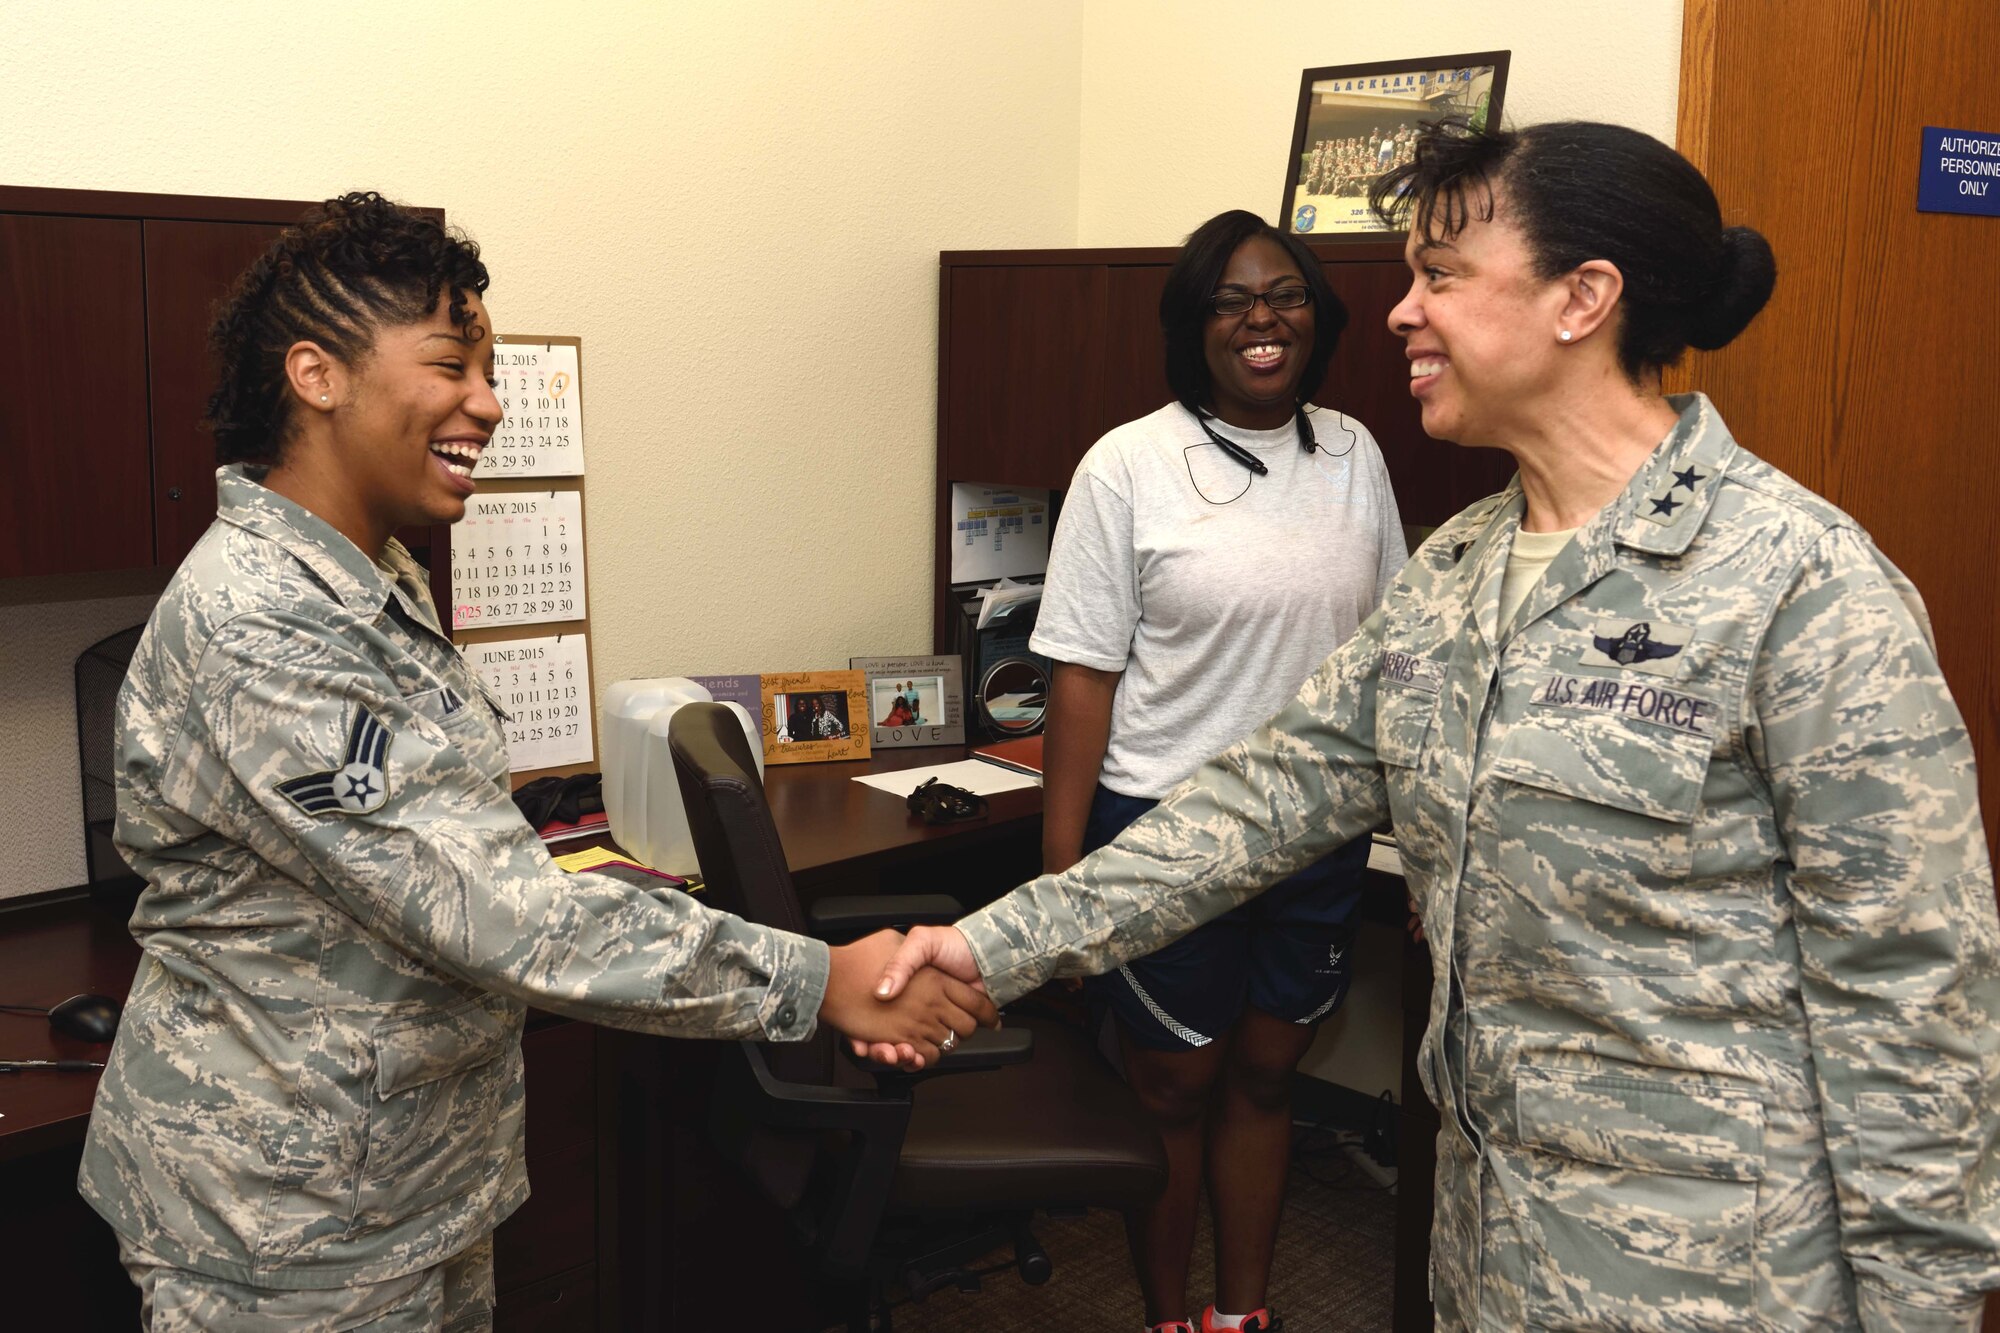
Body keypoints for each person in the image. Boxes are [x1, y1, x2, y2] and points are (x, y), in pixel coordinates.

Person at [868, 120, 2000, 1330]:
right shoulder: (1457, 569)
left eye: (1440, 276)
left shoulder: (1802, 584)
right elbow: (1255, 801)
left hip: (1714, 1280)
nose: (1400, 312)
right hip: (1484, 1249)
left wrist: (1923, 1311)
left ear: (1582, 297)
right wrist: (994, 944)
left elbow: (1912, 1004)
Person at [80, 192, 994, 1331]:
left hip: (406, 1179)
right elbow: (497, 912)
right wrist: (817, 981)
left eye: (491, 368)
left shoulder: (376, 576)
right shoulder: (260, 623)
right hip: (284, 1222)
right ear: (316, 376)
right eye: (453, 364)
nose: (490, 402)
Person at [1026, 208, 1405, 1333]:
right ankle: (1162, 1312)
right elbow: (1082, 680)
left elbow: (1392, 651)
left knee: (1264, 1079)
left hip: (1314, 828)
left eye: (1283, 294)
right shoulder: (1127, 464)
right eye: (1230, 300)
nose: (1259, 319)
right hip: (1163, 825)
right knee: (1174, 1086)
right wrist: (1063, 888)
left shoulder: (1353, 454)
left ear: (1317, 317)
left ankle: (1239, 1315)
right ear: (1192, 326)